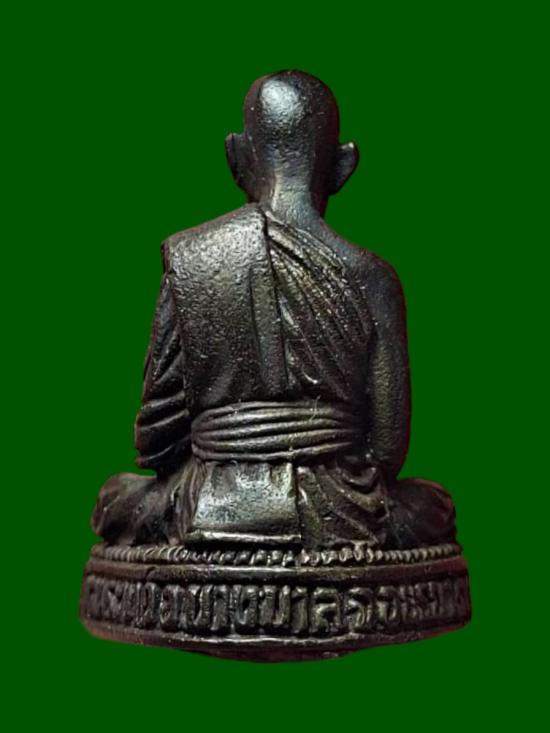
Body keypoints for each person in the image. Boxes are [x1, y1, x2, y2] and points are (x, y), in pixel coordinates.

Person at [92, 71, 456, 550]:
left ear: (236, 157)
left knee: (119, 499)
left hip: (209, 502)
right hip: (343, 509)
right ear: (344, 166)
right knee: (431, 505)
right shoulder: (374, 277)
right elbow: (387, 451)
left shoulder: (194, 257)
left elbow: (158, 441)